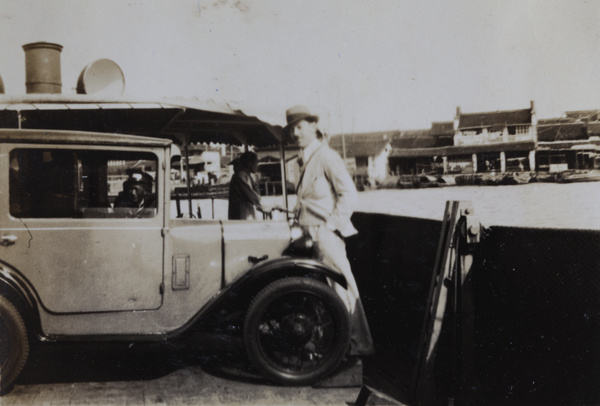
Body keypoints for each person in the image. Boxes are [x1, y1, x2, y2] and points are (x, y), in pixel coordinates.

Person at [285, 104, 374, 356]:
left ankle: (358, 348)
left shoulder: (326, 156)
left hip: (324, 234)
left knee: (341, 291)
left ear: (313, 126)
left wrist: (331, 227)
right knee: (320, 294)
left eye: (300, 127)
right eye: (292, 129)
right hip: (306, 235)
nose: (295, 133)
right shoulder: (305, 160)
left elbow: (349, 194)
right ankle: (333, 347)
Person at [228, 151, 266, 220]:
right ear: (249, 163)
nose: (258, 165)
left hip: (247, 213)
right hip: (240, 216)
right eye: (256, 162)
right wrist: (270, 205)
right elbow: (253, 197)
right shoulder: (238, 177)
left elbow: (256, 194)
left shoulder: (247, 177)